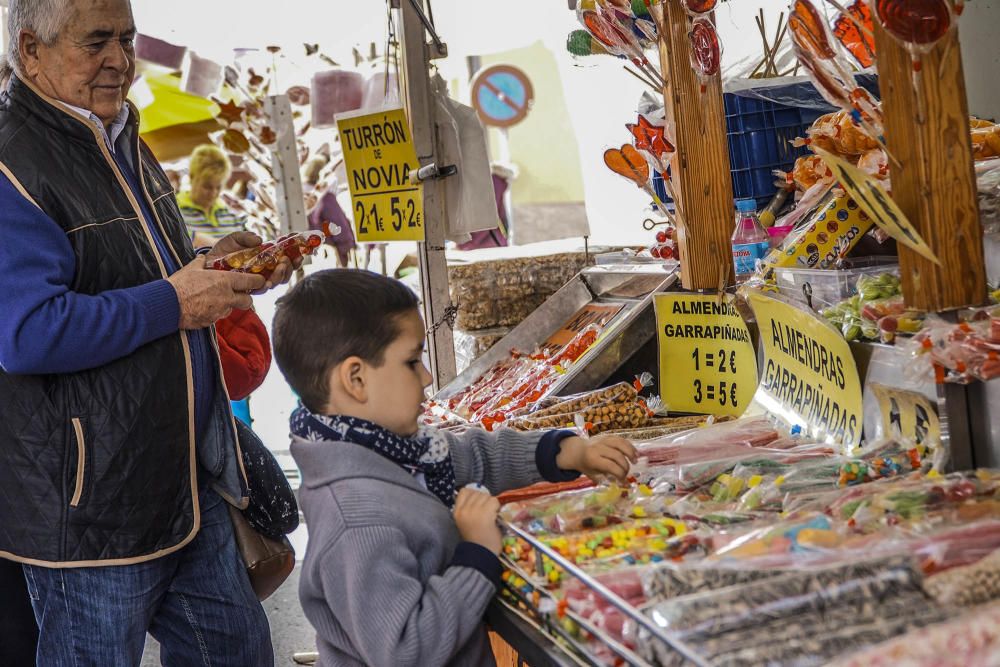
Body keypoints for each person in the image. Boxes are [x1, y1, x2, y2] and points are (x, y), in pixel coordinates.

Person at [0, 1, 298, 664]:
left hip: (180, 484)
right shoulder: (11, 160)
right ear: (31, 50)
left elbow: (134, 270)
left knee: (239, 652)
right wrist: (175, 299)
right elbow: (25, 333)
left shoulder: (118, 131)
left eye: (128, 40)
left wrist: (211, 264)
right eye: (97, 41)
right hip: (88, 509)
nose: (120, 60)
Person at [272, 269, 638, 666]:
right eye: (412, 361)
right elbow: (407, 650)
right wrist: (477, 553)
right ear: (356, 379)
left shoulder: (396, 451)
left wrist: (565, 452)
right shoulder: (358, 520)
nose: (428, 376)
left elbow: (474, 457)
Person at [177, 143, 247, 248]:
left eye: (218, 187)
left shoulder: (232, 213)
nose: (214, 193)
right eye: (207, 187)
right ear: (192, 178)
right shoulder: (174, 211)